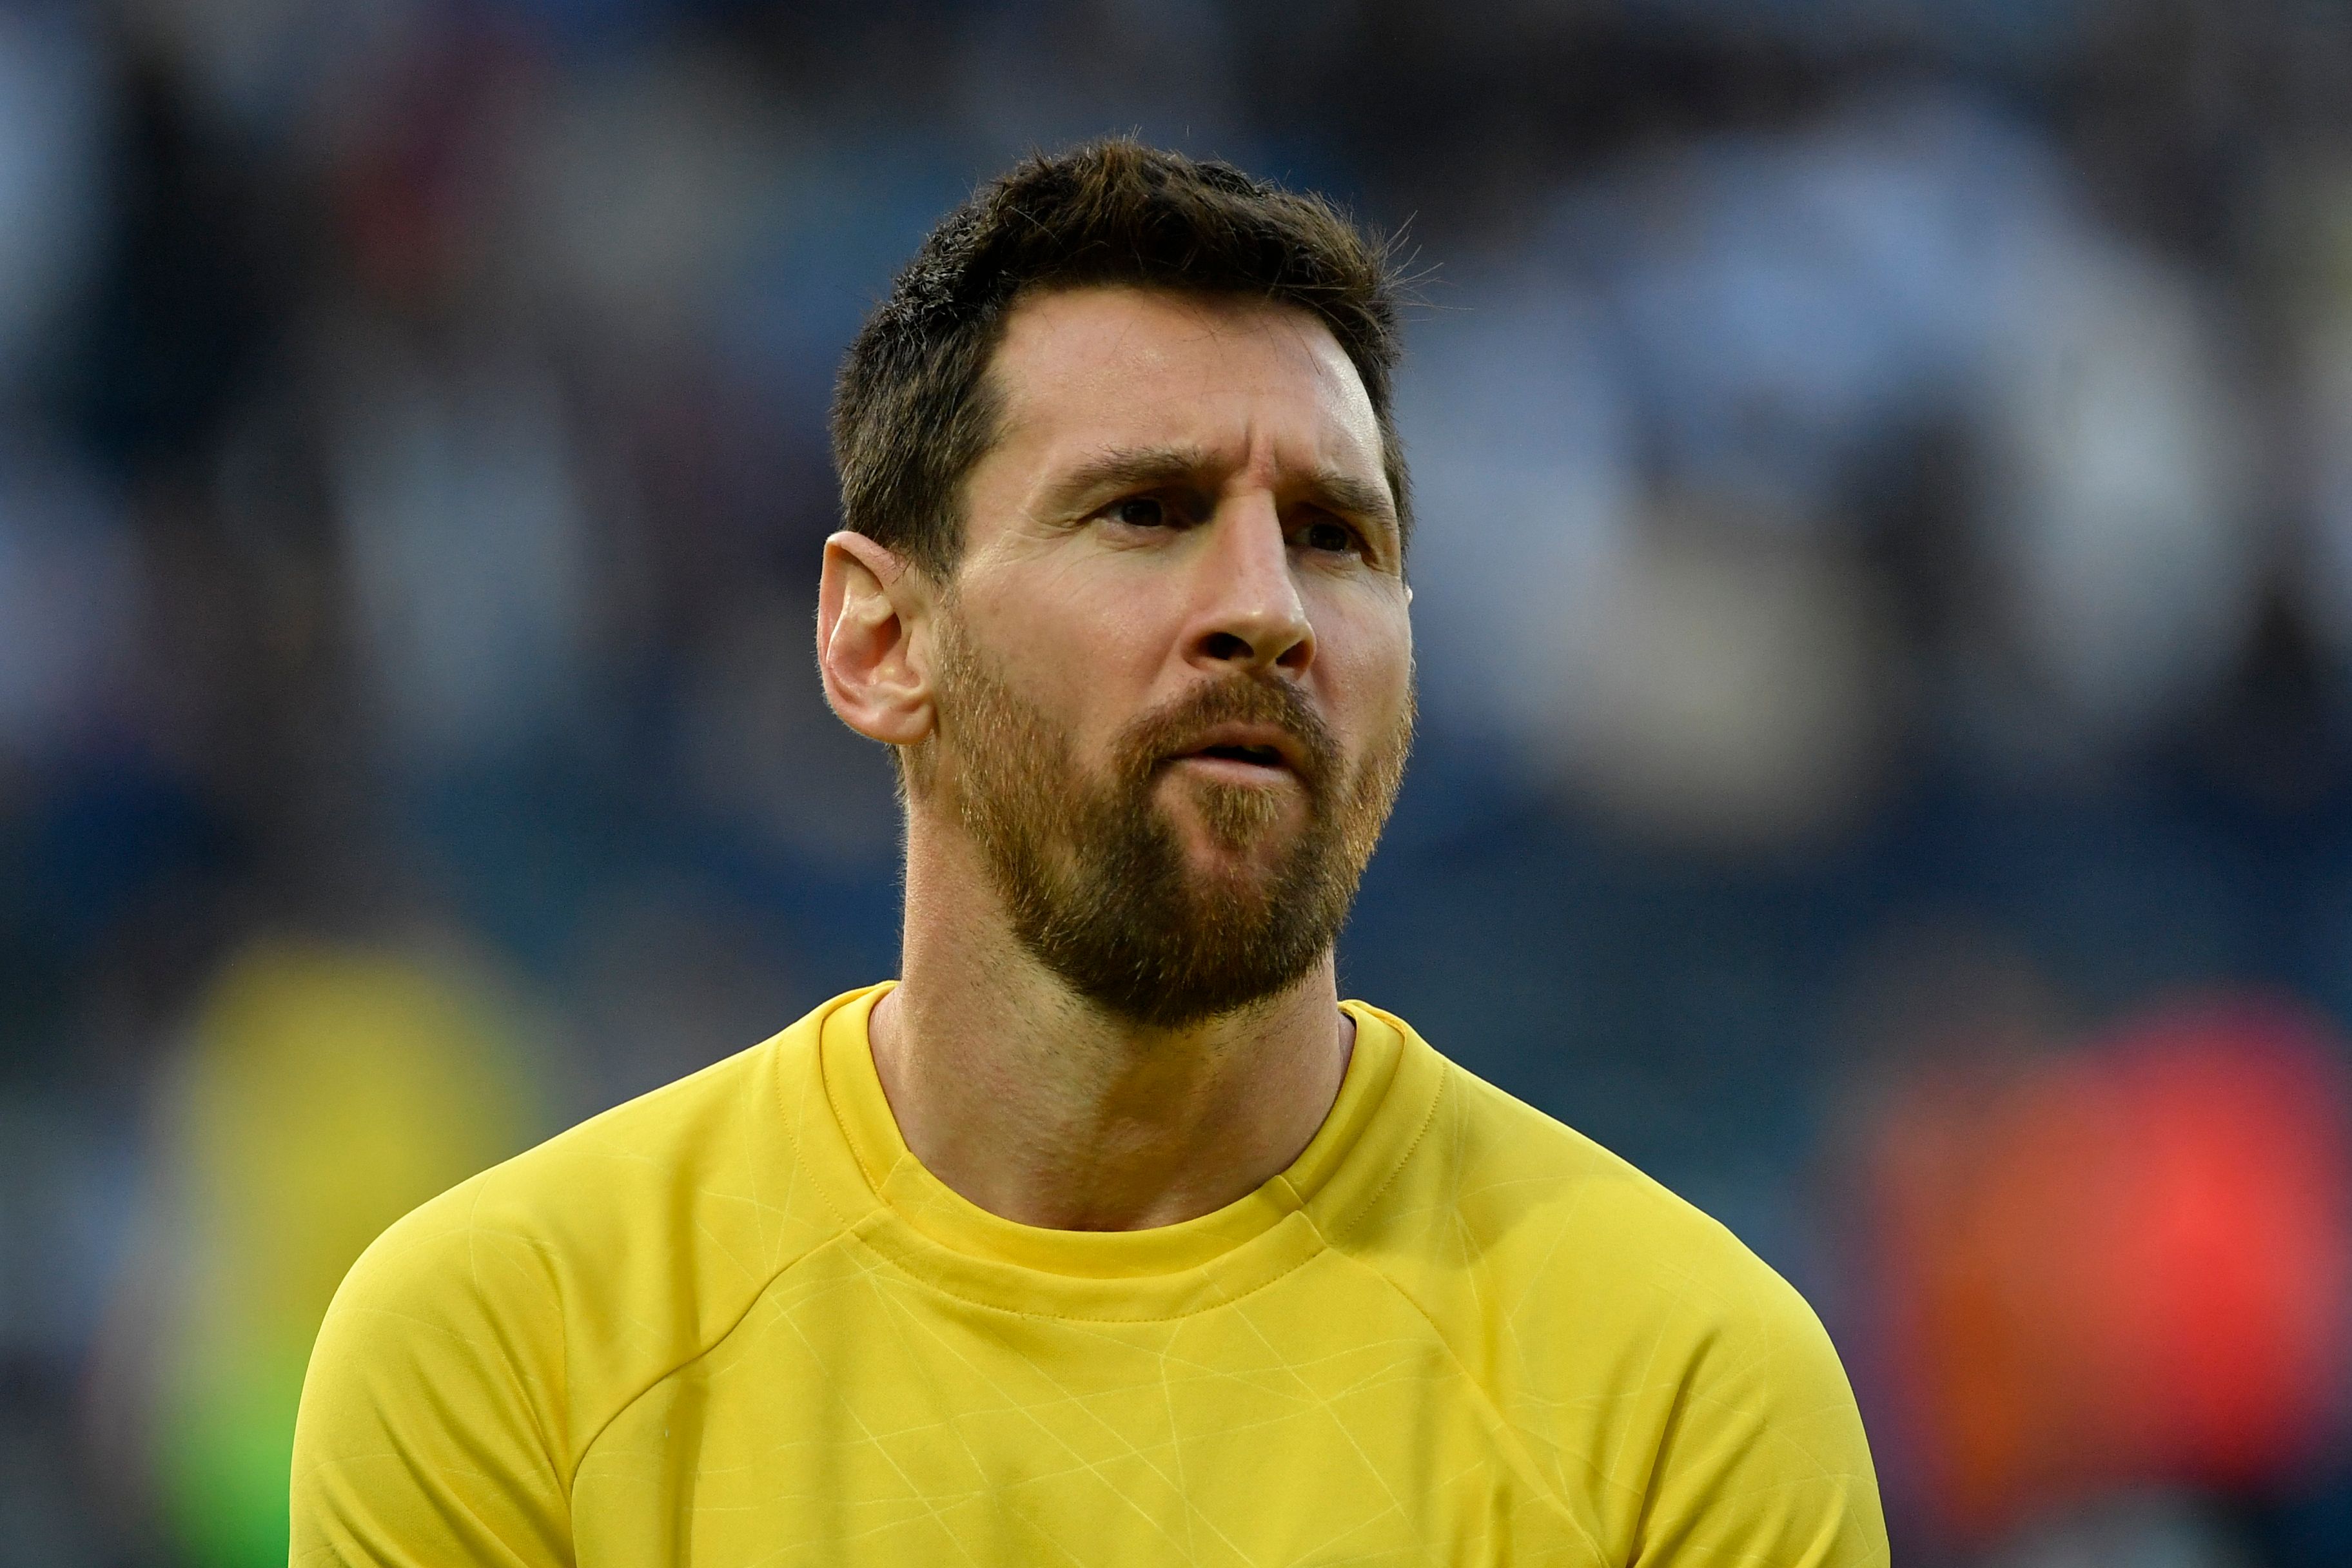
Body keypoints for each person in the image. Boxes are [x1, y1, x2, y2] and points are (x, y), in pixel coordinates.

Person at [289, 139, 1886, 1567]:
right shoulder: (510, 1351)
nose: (1267, 607)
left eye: (1335, 536)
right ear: (878, 639)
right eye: (1147, 511)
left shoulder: (1681, 1388)